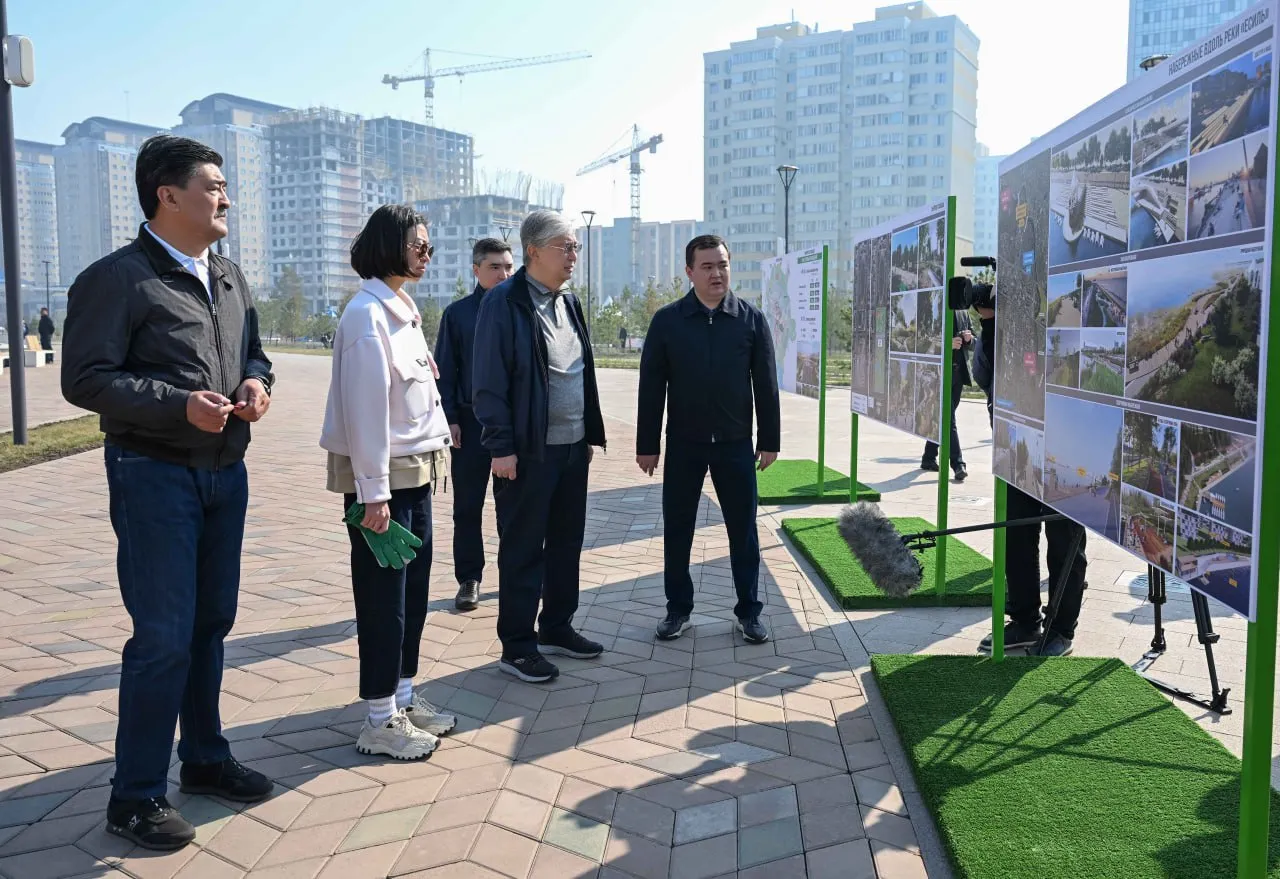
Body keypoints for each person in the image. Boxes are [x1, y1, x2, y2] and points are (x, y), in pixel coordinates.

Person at [61, 135, 275, 850]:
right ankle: (136, 796)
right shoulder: (116, 278)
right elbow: (85, 378)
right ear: (168, 195)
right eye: (213, 185)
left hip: (225, 471)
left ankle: (206, 758)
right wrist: (177, 402)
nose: (226, 197)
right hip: (153, 474)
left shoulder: (231, 277)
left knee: (211, 623)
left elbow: (255, 351)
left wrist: (257, 382)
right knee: (161, 637)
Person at [320, 204, 458, 759]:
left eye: (428, 244)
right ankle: (379, 718)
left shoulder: (402, 310)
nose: (426, 253)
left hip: (417, 471)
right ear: (388, 246)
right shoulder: (365, 316)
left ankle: (403, 693)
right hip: (385, 483)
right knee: (383, 599)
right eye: (417, 244)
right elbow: (365, 410)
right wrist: (372, 491)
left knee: (414, 592)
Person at [473, 210, 607, 683]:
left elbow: (580, 371)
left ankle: (556, 626)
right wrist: (500, 446)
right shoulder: (504, 303)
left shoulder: (568, 301)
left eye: (576, 248)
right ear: (534, 251)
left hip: (571, 449)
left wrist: (588, 433)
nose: (573, 255)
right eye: (565, 247)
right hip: (526, 452)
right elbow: (488, 382)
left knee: (566, 544)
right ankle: (517, 645)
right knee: (524, 548)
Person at [636, 234, 781, 644]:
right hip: (684, 444)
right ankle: (677, 610)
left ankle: (749, 612)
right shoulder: (668, 321)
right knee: (678, 528)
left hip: (735, 445)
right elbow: (652, 386)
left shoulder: (750, 319)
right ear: (689, 272)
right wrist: (648, 444)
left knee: (743, 530)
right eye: (707, 266)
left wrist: (769, 438)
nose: (717, 273)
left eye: (722, 265)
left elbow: (765, 385)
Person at [973, 303, 1087, 657]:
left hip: (1068, 447)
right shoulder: (1013, 321)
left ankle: (1060, 629)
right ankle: (1024, 621)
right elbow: (984, 375)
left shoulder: (1071, 312)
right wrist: (991, 322)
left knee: (1064, 539)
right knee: (1016, 535)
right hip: (1018, 441)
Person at [436, 238, 514, 611]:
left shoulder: (521, 309)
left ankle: (516, 574)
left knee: (512, 506)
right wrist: (450, 418)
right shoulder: (458, 315)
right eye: (495, 267)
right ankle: (469, 578)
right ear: (476, 270)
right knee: (467, 506)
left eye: (508, 267)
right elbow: (445, 372)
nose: (504, 274)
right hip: (470, 424)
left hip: (513, 425)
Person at [921, 310, 974, 482]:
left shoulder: (963, 312)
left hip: (957, 375)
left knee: (943, 417)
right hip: (938, 374)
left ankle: (928, 457)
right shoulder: (937, 305)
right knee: (949, 420)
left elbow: (974, 339)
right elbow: (921, 339)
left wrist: (969, 338)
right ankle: (958, 464)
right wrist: (945, 344)